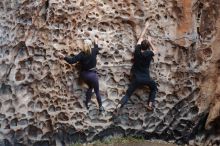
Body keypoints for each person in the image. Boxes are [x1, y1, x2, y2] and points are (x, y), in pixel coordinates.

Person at [118, 22, 158, 111]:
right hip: (146, 79)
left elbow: (140, 38)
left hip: (136, 78)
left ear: (141, 46)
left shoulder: (137, 51)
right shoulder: (149, 53)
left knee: (128, 94)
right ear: (147, 48)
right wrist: (150, 42)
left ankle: (119, 106)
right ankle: (150, 104)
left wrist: (145, 27)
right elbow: (155, 50)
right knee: (154, 88)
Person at [57, 37, 105, 112]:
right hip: (92, 75)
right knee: (97, 91)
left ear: (84, 45)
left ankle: (87, 103)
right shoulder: (94, 51)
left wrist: (63, 56)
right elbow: (96, 47)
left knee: (90, 87)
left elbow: (71, 61)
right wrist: (96, 41)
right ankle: (101, 107)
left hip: (84, 75)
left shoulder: (81, 54)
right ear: (90, 45)